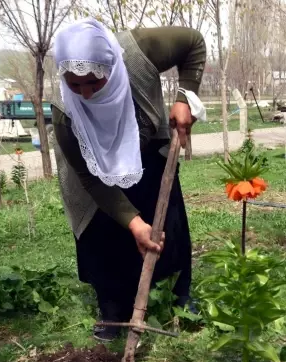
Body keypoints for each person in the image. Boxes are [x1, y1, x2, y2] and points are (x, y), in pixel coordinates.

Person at [51, 18, 207, 342]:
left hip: (145, 149)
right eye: (75, 85)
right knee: (101, 233)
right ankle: (112, 311)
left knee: (167, 224)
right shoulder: (64, 112)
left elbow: (193, 43)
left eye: (95, 83)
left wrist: (185, 95)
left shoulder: (138, 51)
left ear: (110, 65)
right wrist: (133, 224)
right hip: (92, 174)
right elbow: (90, 181)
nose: (87, 93)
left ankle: (179, 297)